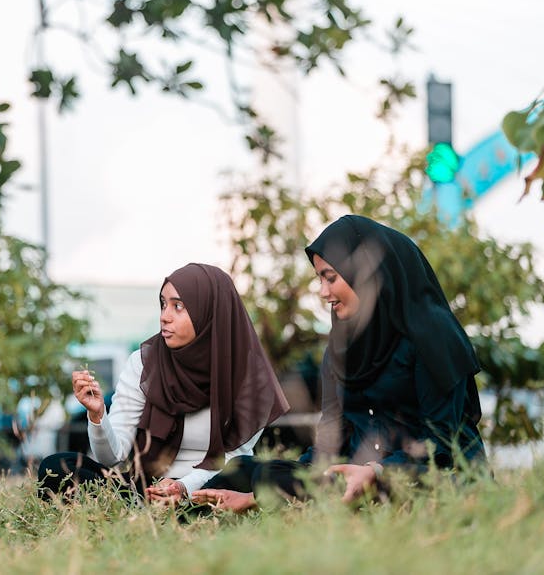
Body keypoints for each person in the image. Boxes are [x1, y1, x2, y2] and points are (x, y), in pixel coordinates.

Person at [193, 215, 487, 512]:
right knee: (247, 469)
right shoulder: (340, 350)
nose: (323, 292)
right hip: (351, 478)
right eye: (319, 279)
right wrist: (285, 480)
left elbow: (440, 447)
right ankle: (185, 504)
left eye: (331, 277)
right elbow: (329, 448)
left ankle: (272, 498)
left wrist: (377, 472)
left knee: (275, 480)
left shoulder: (432, 336)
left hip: (431, 478)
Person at [37, 263, 289, 505]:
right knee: (57, 467)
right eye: (163, 304)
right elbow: (113, 458)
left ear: (209, 311)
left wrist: (183, 488)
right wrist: (97, 416)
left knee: (246, 470)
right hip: (146, 487)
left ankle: (174, 509)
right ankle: (147, 508)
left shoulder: (246, 373)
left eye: (178, 306)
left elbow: (233, 457)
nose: (164, 317)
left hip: (209, 488)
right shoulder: (143, 363)